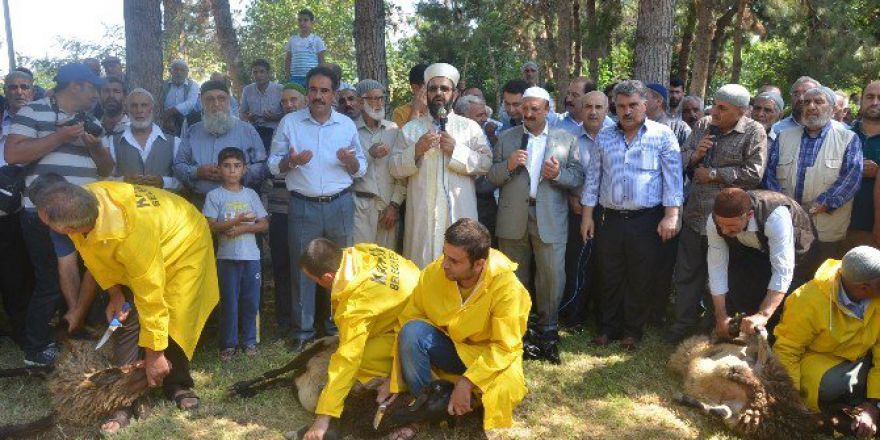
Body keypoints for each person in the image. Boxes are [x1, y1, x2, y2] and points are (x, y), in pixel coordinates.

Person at [32, 180, 218, 431]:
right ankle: (124, 402)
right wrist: (115, 293)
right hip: (149, 243)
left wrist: (155, 355)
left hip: (184, 243)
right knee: (126, 318)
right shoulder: (83, 203)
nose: (39, 214)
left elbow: (152, 299)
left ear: (57, 223)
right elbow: (93, 255)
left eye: (42, 213)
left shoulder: (132, 236)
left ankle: (177, 382)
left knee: (176, 313)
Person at [5, 63, 113, 366]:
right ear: (76, 85)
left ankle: (84, 337)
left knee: (93, 277)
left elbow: (106, 170)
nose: (96, 93)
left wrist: (98, 149)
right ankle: (37, 349)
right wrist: (60, 137)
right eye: (92, 87)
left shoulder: (91, 121)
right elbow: (13, 155)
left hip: (84, 218)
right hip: (43, 215)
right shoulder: (33, 111)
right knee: (51, 281)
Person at [386, 219, 530, 437]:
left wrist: (467, 381)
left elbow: (505, 347)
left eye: (454, 260)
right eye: (444, 254)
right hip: (450, 347)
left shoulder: (507, 287)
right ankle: (428, 405)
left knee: (504, 391)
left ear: (479, 264)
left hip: (488, 358)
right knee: (411, 332)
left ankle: (466, 398)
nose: (444, 264)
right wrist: (393, 374)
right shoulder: (435, 272)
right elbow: (411, 316)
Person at [268, 65, 367, 352]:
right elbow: (273, 163)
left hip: (340, 204)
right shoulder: (290, 123)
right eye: (313, 90)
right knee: (304, 268)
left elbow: (361, 167)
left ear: (334, 94)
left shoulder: (346, 125)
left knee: (342, 268)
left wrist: (349, 162)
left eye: (325, 91)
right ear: (307, 92)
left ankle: (337, 328)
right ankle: (303, 331)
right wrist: (292, 162)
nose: (318, 96)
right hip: (303, 206)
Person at [581, 80, 683, 351]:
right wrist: (587, 216)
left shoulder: (662, 135)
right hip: (609, 218)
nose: (627, 111)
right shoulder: (605, 135)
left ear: (645, 104)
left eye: (633, 105)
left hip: (647, 219)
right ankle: (607, 328)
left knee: (640, 276)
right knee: (609, 273)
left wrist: (671, 215)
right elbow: (593, 178)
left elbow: (673, 179)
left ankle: (632, 332)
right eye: (622, 106)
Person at [488, 86, 584, 364]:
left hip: (550, 217)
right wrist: (507, 166)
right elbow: (490, 178)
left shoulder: (566, 139)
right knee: (515, 277)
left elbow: (577, 177)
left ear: (547, 110)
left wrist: (558, 174)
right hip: (512, 216)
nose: (526, 114)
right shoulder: (506, 139)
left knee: (552, 276)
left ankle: (548, 332)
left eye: (534, 109)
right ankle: (519, 331)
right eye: (523, 108)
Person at [666, 84, 768, 344]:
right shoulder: (702, 125)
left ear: (741, 111)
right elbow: (681, 158)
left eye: (723, 108)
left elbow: (754, 174)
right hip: (695, 216)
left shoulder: (754, 131)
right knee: (687, 275)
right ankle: (681, 328)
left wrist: (714, 174)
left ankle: (715, 329)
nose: (715, 112)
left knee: (721, 278)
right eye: (714, 105)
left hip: (728, 223)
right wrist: (695, 154)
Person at [298, 239, 420, 440]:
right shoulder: (362, 251)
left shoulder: (356, 305)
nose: (317, 285)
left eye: (315, 280)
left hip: (416, 335)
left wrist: (323, 417)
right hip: (417, 314)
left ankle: (398, 386)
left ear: (328, 277)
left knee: (359, 359)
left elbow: (348, 358)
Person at [389, 62, 492, 268]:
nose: (439, 93)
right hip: (422, 217)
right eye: (433, 88)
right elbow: (394, 168)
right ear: (425, 93)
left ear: (453, 94)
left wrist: (457, 150)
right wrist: (416, 150)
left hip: (460, 214)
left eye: (444, 89)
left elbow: (486, 163)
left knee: (460, 268)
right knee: (422, 269)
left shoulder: (470, 128)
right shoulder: (411, 130)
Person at [774, 246, 880, 437]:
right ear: (864, 287)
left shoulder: (875, 293)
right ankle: (839, 406)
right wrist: (792, 403)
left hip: (864, 359)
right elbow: (787, 351)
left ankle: (860, 405)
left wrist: (873, 404)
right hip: (822, 362)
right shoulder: (806, 300)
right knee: (830, 385)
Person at [765, 86, 863, 268]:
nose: (810, 106)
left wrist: (816, 206)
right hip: (788, 224)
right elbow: (770, 175)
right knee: (786, 276)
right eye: (806, 102)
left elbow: (851, 178)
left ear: (833, 109)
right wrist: (786, 207)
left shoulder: (848, 138)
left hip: (826, 229)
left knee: (821, 281)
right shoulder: (784, 136)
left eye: (818, 102)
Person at [707, 188, 815, 338]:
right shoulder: (714, 222)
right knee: (740, 289)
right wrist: (721, 316)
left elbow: (782, 272)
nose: (724, 231)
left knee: (785, 305)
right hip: (753, 249)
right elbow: (716, 268)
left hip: (796, 251)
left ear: (749, 216)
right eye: (721, 225)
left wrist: (763, 315)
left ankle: (774, 342)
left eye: (731, 226)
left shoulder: (775, 218)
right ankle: (739, 333)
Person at [203, 147, 268, 360]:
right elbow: (212, 226)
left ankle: (250, 342)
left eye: (237, 166)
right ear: (219, 169)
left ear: (244, 169)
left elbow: (264, 224)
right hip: (226, 257)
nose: (232, 171)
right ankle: (228, 344)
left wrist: (242, 227)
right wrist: (235, 220)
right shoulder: (215, 196)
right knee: (229, 301)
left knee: (251, 301)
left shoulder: (250, 194)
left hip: (251, 257)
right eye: (227, 166)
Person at [173, 80, 267, 208]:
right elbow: (178, 165)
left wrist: (233, 174)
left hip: (238, 205)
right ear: (202, 102)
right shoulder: (193, 131)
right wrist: (197, 172)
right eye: (210, 99)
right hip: (200, 203)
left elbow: (261, 166)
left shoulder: (247, 131)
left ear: (229, 101)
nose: (216, 104)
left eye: (221, 98)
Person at [0, 70, 35, 349]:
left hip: (31, 200)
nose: (19, 92)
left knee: (25, 268)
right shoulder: (2, 119)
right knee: (8, 265)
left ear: (33, 91)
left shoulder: (43, 118)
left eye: (24, 87)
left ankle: (24, 327)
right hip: (2, 204)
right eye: (13, 87)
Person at [270, 83, 307, 334]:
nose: (289, 105)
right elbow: (271, 166)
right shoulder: (280, 129)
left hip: (305, 207)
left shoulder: (310, 128)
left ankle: (307, 317)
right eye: (284, 101)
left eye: (293, 99)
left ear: (304, 100)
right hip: (280, 209)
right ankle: (285, 319)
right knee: (282, 262)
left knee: (305, 263)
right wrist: (288, 162)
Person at [351, 80, 405, 249]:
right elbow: (343, 171)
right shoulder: (349, 130)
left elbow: (401, 172)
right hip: (359, 209)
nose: (379, 103)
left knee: (386, 265)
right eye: (373, 99)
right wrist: (369, 155)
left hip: (388, 209)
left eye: (381, 98)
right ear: (360, 102)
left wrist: (395, 205)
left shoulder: (393, 130)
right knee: (360, 263)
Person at [107, 88, 182, 192]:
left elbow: (183, 180)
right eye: (134, 105)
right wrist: (123, 180)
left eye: (144, 105)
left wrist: (164, 182)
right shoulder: (113, 141)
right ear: (127, 109)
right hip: (127, 205)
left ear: (151, 109)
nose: (139, 110)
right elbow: (105, 178)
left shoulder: (174, 142)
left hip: (163, 206)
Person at [848, 81, 880, 249]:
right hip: (840, 228)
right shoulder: (842, 134)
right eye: (870, 97)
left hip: (875, 231)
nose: (875, 102)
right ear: (861, 102)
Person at [240, 59, 284, 152]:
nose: (258, 75)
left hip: (275, 130)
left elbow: (288, 113)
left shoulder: (280, 89)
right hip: (254, 130)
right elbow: (242, 112)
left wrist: (275, 117)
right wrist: (249, 118)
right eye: (255, 72)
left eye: (262, 72)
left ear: (268, 73)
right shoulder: (247, 90)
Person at [285, 9, 326, 86]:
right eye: (299, 20)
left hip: (312, 77)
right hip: (295, 78)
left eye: (305, 20)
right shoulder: (292, 40)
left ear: (312, 22)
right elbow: (288, 59)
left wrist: (321, 76)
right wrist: (287, 74)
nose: (302, 23)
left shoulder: (317, 40)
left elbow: (321, 61)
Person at [160, 60, 200, 137]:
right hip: (165, 120)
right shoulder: (163, 84)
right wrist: (165, 118)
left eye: (182, 70)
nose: (179, 73)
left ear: (187, 72)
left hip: (186, 121)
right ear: (170, 71)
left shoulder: (193, 85)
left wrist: (170, 112)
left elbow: (190, 104)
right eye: (176, 69)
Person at [392, 64, 428, 128]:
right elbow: (403, 137)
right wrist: (415, 111)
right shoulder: (400, 113)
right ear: (415, 88)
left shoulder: (440, 109)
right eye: (430, 87)